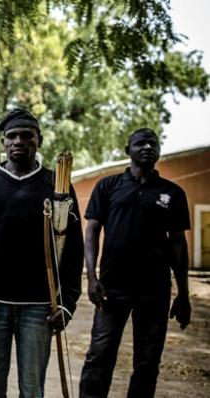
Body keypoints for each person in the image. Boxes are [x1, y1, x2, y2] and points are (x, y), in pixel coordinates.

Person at [0, 108, 84, 398]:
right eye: (11, 136)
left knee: (32, 388)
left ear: (38, 141)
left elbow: (73, 248)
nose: (18, 141)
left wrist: (68, 302)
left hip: (39, 305)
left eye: (26, 136)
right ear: (3, 143)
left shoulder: (57, 186)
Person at [79, 128, 191, 398]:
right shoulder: (107, 186)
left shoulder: (172, 193)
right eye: (140, 143)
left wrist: (184, 293)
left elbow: (177, 243)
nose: (147, 147)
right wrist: (92, 277)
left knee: (148, 361)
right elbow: (92, 230)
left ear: (159, 150)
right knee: (100, 355)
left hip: (154, 290)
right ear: (127, 149)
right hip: (111, 287)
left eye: (153, 143)